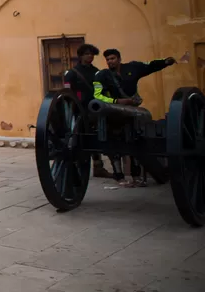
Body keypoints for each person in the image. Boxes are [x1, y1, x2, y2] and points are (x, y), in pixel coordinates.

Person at [93, 49, 177, 186]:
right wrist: (117, 102)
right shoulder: (102, 75)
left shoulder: (132, 68)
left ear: (119, 59)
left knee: (135, 142)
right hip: (113, 114)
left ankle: (136, 176)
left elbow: (149, 66)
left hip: (132, 112)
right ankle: (119, 176)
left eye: (113, 58)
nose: (110, 61)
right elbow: (97, 95)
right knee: (114, 144)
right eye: (107, 59)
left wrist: (165, 62)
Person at [63, 43, 112, 179]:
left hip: (94, 108)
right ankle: (77, 164)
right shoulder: (72, 73)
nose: (89, 56)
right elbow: (67, 91)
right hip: (78, 108)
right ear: (80, 56)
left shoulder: (96, 72)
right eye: (86, 54)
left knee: (95, 134)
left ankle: (98, 166)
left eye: (91, 54)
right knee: (78, 137)